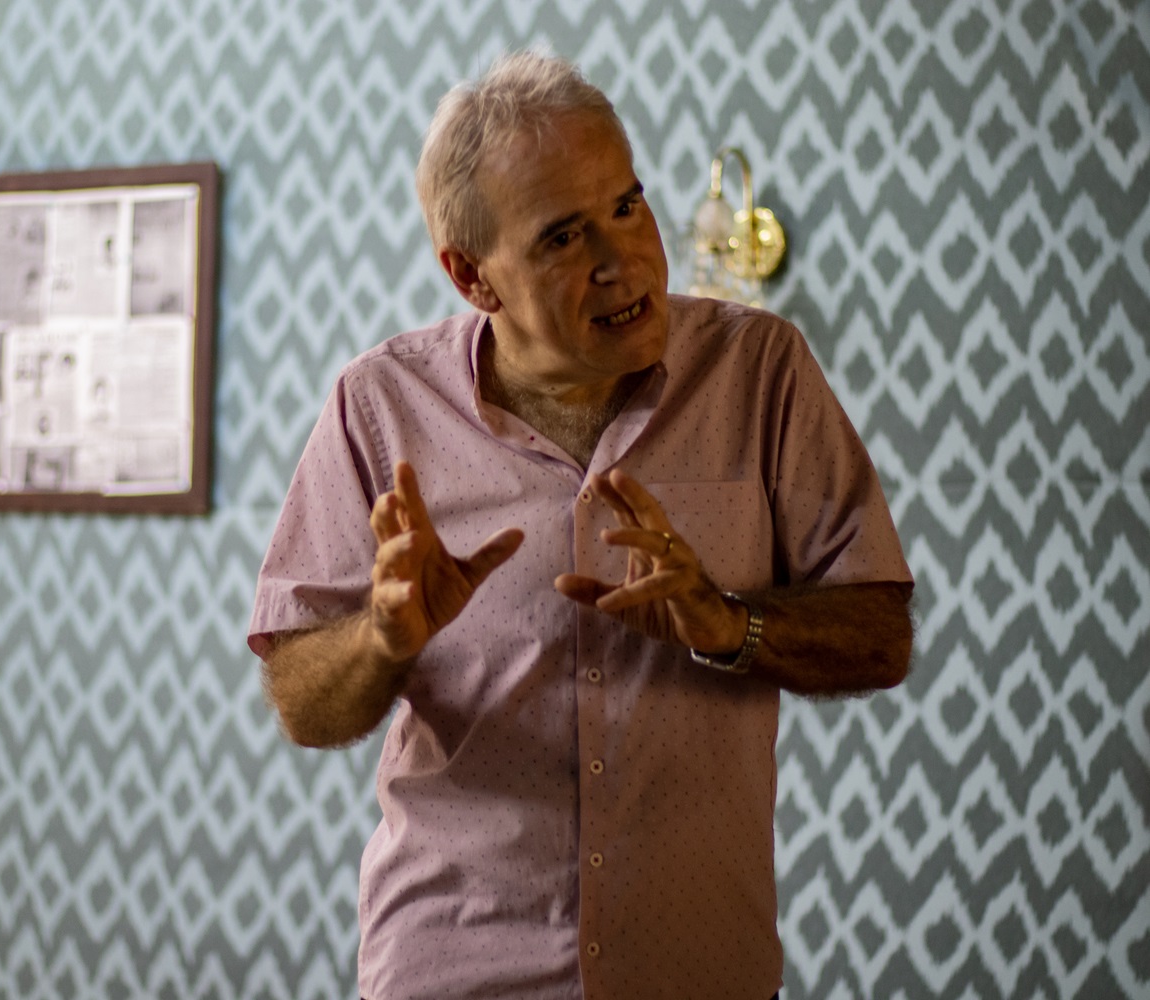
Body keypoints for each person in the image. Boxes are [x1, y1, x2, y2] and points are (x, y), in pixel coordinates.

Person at [247, 50, 913, 1000]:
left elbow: (880, 632)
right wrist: (382, 639)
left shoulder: (761, 370)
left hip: (699, 972)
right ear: (472, 277)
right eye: (563, 237)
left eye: (627, 206)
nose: (621, 260)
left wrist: (732, 624)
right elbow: (300, 700)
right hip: (457, 972)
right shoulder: (379, 404)